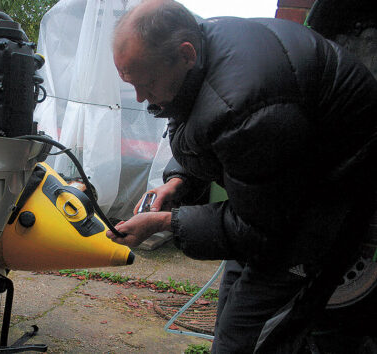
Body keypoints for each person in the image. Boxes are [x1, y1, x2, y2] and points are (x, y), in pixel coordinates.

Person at [107, 0, 377, 352]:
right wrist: (179, 181)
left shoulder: (248, 104)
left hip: (328, 199)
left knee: (246, 334)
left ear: (186, 54)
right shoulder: (200, 51)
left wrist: (165, 222)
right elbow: (192, 120)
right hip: (278, 186)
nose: (143, 98)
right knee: (234, 308)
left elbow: (259, 228)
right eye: (134, 84)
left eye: (150, 83)